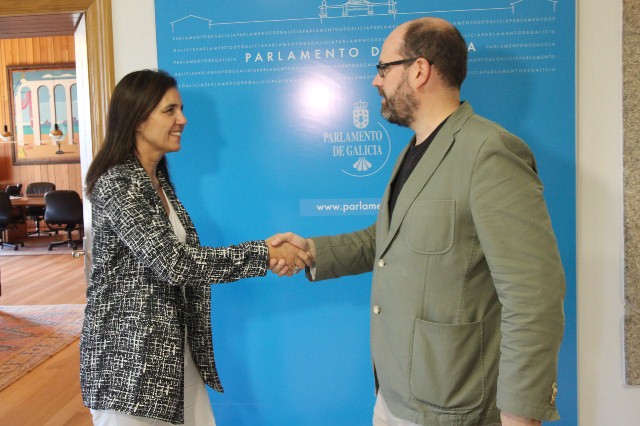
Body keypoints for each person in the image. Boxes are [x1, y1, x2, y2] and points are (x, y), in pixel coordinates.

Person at [272, 17, 565, 426]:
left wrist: (520, 413)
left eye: (382, 69)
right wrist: (312, 250)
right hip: (394, 396)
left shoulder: (489, 152)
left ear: (419, 70)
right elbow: (388, 240)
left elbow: (534, 295)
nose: (376, 82)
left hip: (453, 405)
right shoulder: (415, 149)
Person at [81, 69, 304, 425]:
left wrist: (266, 251)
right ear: (138, 119)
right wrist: (265, 253)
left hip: (174, 358)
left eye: (180, 109)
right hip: (131, 369)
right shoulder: (118, 183)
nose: (182, 119)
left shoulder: (158, 182)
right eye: (170, 110)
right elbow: (174, 263)